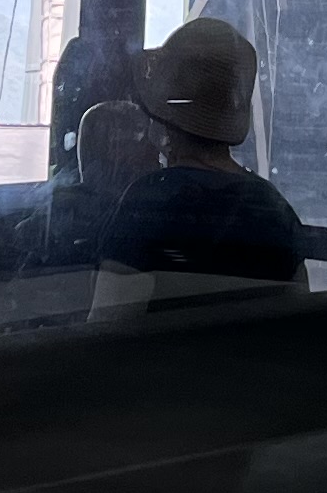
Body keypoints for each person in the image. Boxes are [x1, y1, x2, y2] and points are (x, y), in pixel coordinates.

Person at [92, 16, 307, 313]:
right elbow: (298, 319)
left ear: (165, 118)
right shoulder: (274, 209)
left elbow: (107, 325)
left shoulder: (148, 203)